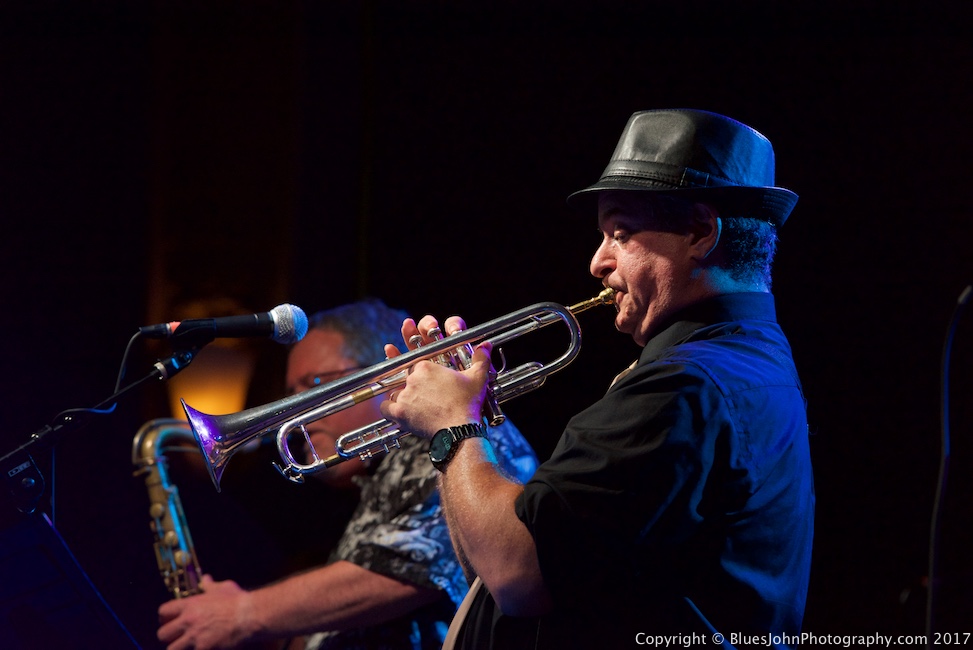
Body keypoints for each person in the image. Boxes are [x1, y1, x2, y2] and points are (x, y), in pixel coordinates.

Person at [380, 109, 815, 648]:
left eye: (621, 232)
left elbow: (518, 574)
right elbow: (493, 572)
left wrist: (453, 426)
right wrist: (465, 428)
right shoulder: (744, 361)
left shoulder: (683, 387)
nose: (596, 262)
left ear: (701, 231)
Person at [156, 298, 539, 650]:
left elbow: (406, 569)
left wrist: (242, 613)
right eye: (292, 391)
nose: (294, 410)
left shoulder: (467, 436)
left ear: (380, 375)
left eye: (314, 384)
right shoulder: (383, 471)